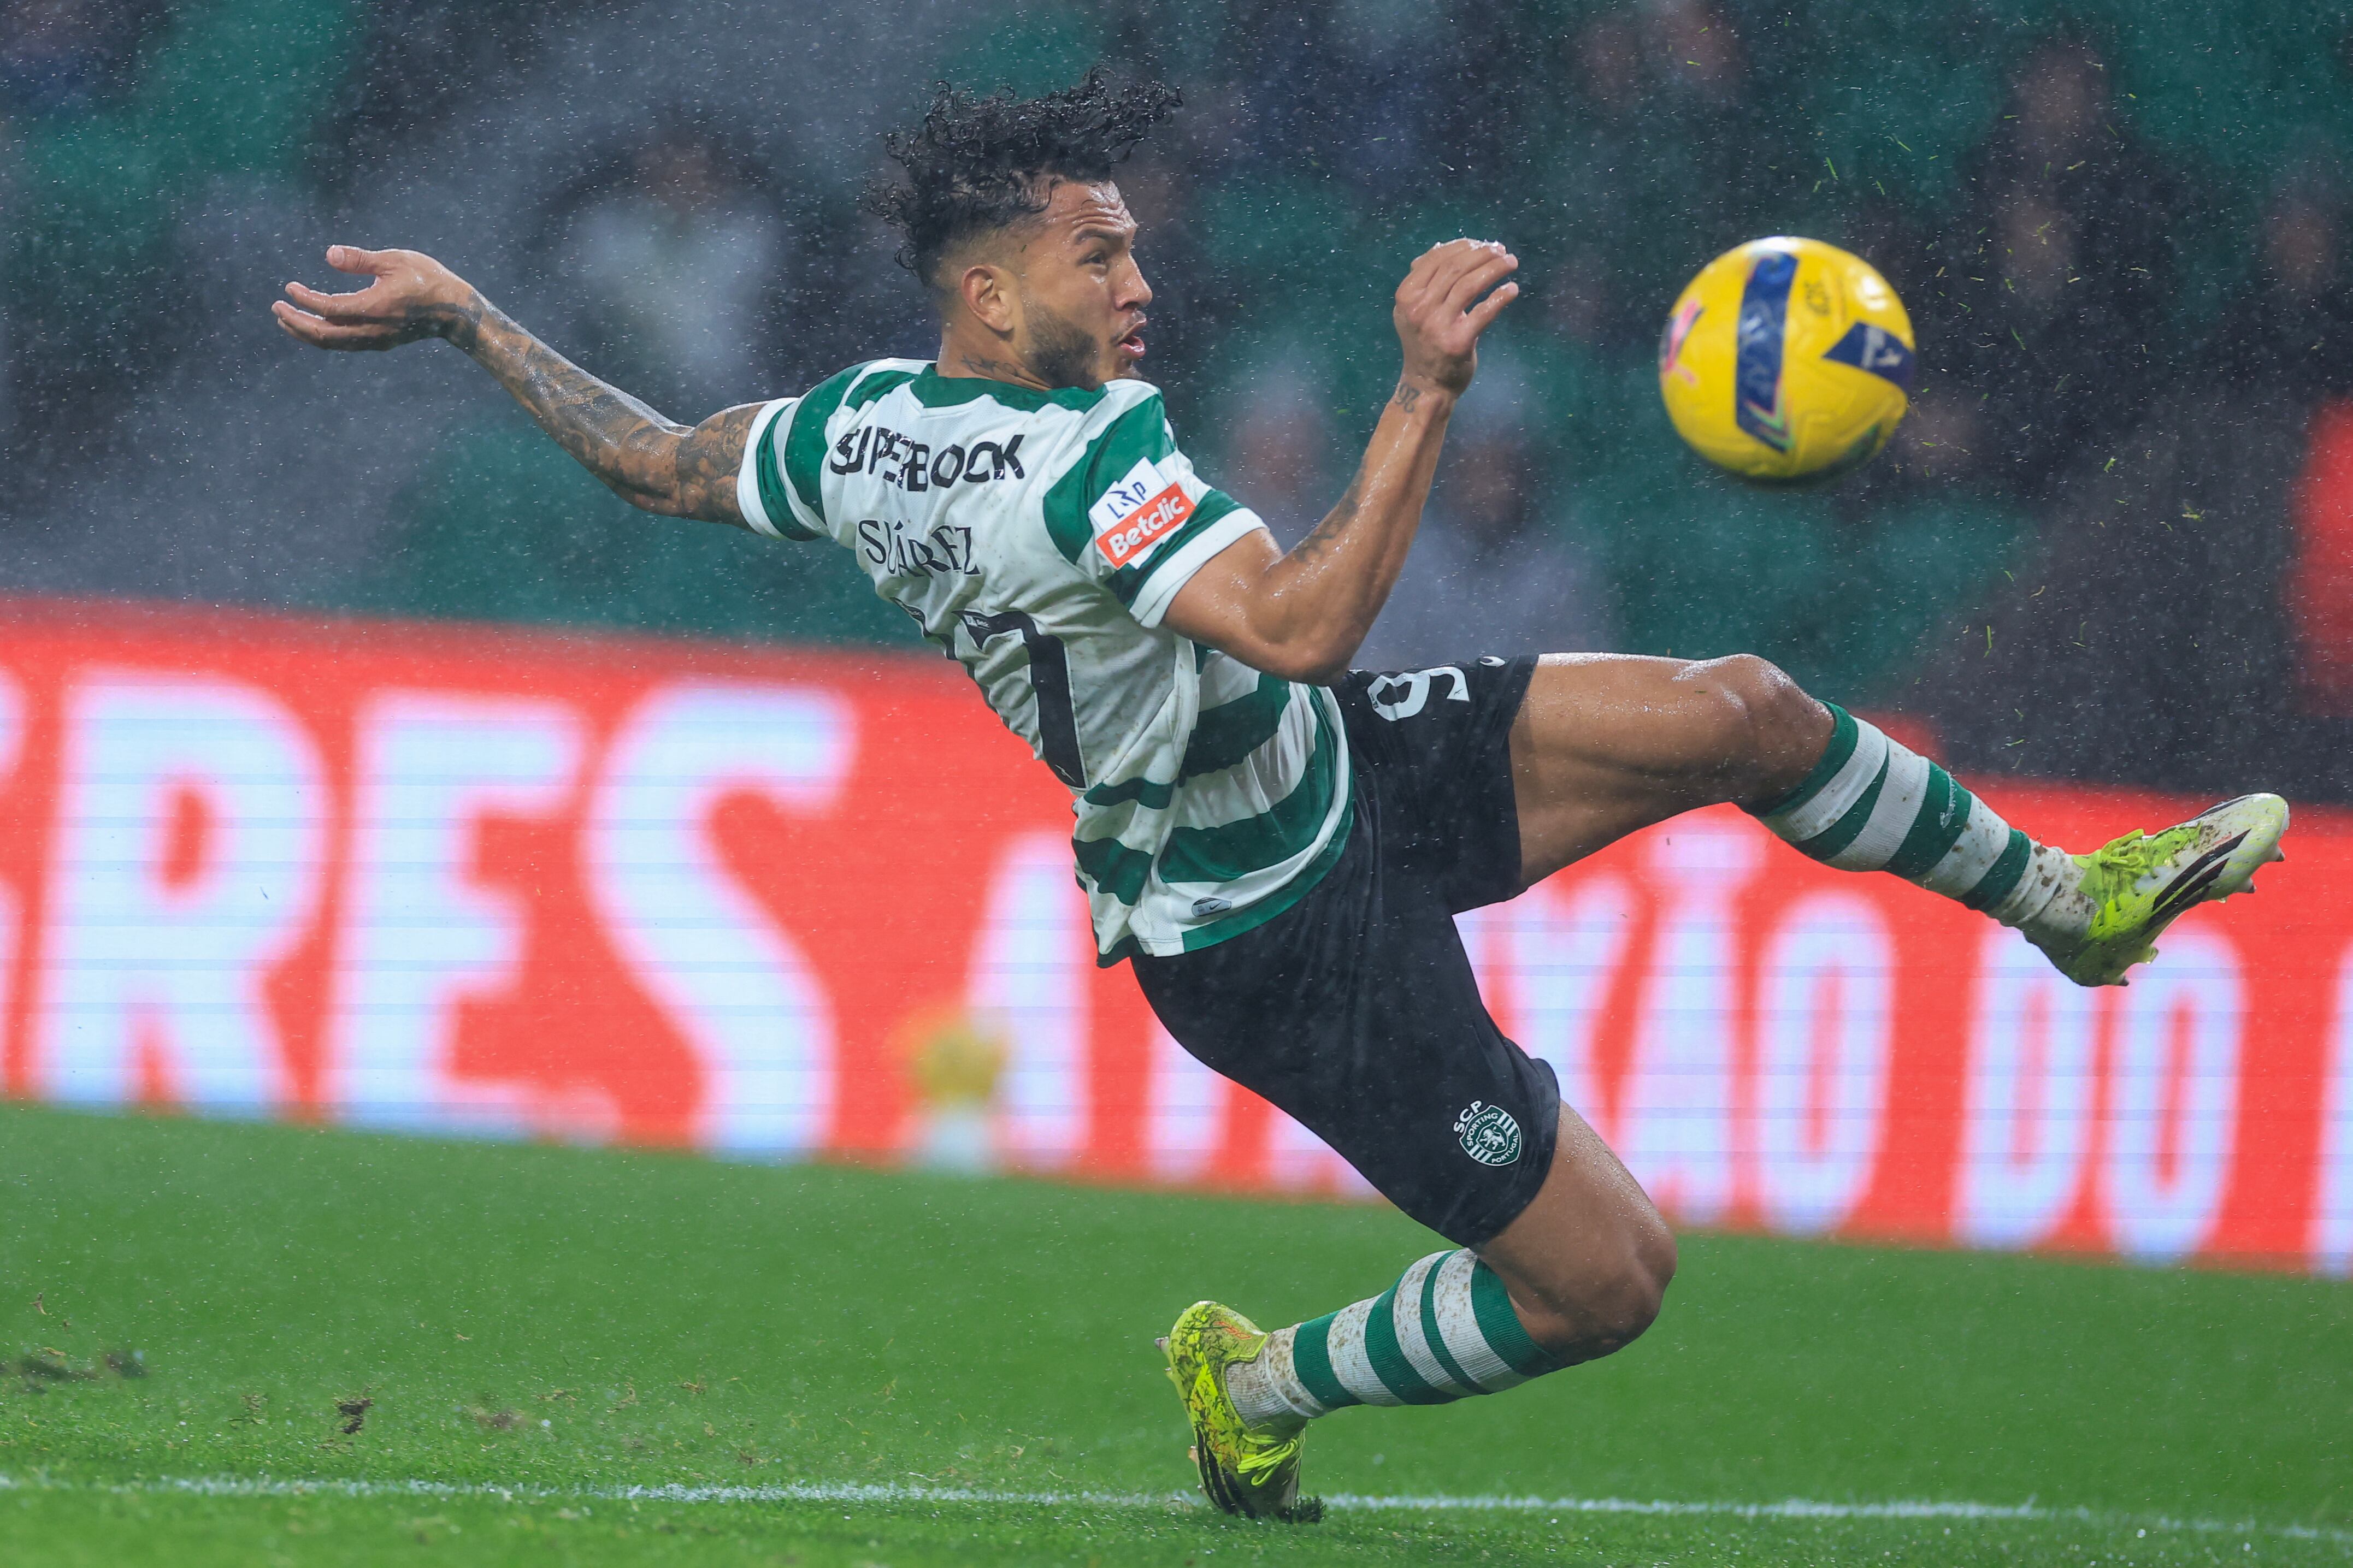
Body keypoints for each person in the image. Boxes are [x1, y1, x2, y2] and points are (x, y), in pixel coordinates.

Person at [272, 71, 2288, 1524]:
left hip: (1335, 772)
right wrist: (1419, 388)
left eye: (1135, 240)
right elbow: (1308, 618)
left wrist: (470, 320)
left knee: (1748, 708)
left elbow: (662, 458)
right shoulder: (1086, 476)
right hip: (1262, 926)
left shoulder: (870, 428)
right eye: (1098, 251)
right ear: (995, 294)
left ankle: (2061, 906)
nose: (1138, 277)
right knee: (1610, 1284)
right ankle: (1260, 1380)